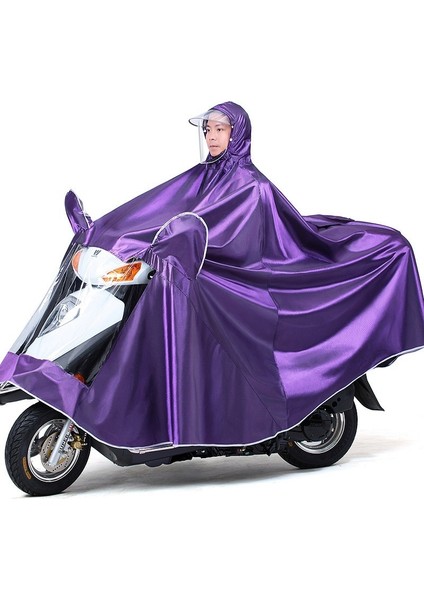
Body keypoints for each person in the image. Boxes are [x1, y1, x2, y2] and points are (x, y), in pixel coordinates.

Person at [1, 101, 423, 450]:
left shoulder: (252, 187)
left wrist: (180, 249)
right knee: (153, 297)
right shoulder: (201, 175)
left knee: (184, 300)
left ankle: (200, 420)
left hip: (246, 279)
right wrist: (104, 233)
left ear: (237, 133)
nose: (212, 136)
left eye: (220, 129)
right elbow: (153, 211)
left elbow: (243, 246)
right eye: (208, 129)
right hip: (195, 265)